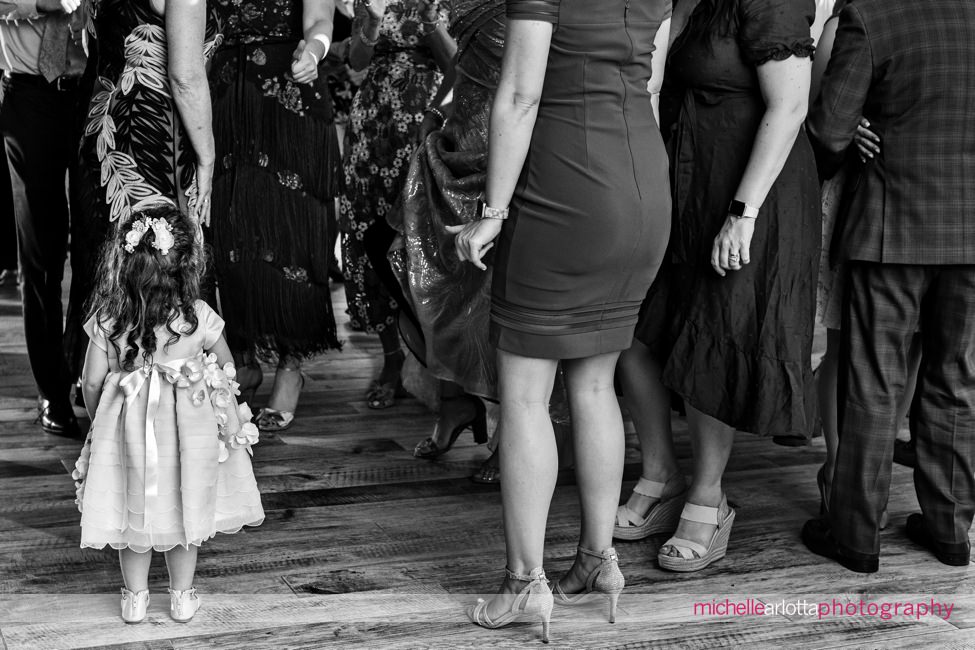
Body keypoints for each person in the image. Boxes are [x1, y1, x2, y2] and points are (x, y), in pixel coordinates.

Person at [452, 0, 672, 641]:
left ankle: (524, 582)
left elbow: (520, 94)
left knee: (524, 396)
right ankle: (596, 559)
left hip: (566, 188)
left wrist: (492, 210)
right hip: (641, 185)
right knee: (597, 382)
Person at [614, 0, 820, 570]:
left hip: (750, 196)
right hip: (688, 191)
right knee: (635, 333)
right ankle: (663, 475)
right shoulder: (690, 2)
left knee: (716, 338)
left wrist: (743, 211)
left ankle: (710, 499)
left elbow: (791, 106)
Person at [803, 0, 975, 573]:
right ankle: (950, 531)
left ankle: (855, 537)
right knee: (957, 378)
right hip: (970, 230)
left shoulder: (873, 15)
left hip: (890, 227)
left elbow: (828, 130)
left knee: (873, 383)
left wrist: (856, 132)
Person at [73, 205, 264, 623]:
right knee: (184, 510)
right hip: (188, 435)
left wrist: (99, 422)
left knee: (131, 512)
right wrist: (224, 416)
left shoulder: (108, 318)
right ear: (187, 264)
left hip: (129, 435)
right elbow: (228, 371)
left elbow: (90, 382)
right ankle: (181, 597)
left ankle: (135, 599)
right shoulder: (199, 317)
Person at [76, 0, 221, 412]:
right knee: (162, 270)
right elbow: (185, 76)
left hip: (105, 131)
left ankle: (106, 409)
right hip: (155, 140)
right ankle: (163, 416)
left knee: (117, 266)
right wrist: (207, 157)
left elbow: (95, 41)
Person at [208, 0, 341, 432]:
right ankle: (243, 357)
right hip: (224, 98)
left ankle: (290, 366)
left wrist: (315, 50)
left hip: (287, 97)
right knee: (231, 234)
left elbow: (321, 20)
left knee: (291, 240)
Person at [386, 0, 505, 471]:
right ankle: (455, 401)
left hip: (503, 147)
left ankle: (508, 431)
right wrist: (440, 107)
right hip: (455, 143)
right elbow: (466, 61)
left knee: (490, 290)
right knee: (416, 267)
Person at [340, 0, 454, 410]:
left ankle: (438, 364)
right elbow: (357, 59)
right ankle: (391, 359)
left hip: (423, 122)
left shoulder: (438, 2)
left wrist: (428, 22)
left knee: (417, 239)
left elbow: (458, 62)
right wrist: (370, 18)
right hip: (370, 123)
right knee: (367, 236)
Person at [1, 0, 90, 437]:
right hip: (31, 98)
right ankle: (52, 389)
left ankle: (86, 368)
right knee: (42, 251)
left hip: (97, 92)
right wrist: (47, 2)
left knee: (100, 242)